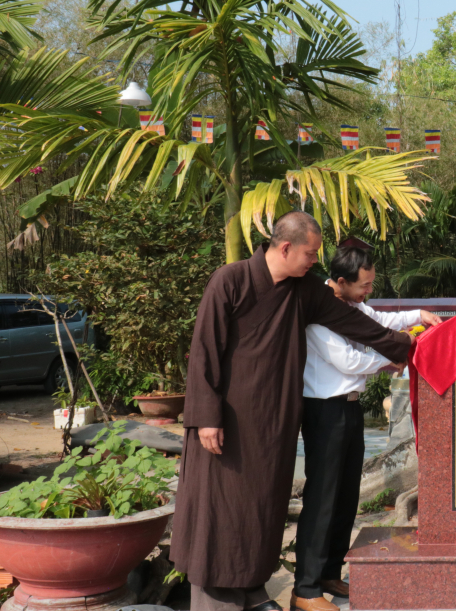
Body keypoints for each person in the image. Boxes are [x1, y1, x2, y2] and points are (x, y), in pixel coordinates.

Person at [170, 212, 414, 611]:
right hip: (226, 420)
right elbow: (204, 353)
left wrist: (406, 347)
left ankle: (252, 590)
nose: (315, 262)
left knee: (263, 506)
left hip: (275, 419)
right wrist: (205, 418)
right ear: (285, 248)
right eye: (310, 253)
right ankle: (218, 599)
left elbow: (355, 323)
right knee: (224, 507)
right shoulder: (229, 281)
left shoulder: (303, 291)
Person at [294, 244, 441, 610]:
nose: (368, 292)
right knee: (322, 498)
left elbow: (378, 321)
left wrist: (418, 315)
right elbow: (347, 360)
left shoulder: (353, 306)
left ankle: (329, 572)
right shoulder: (319, 312)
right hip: (324, 411)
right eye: (364, 286)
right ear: (340, 282)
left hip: (350, 410)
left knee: (345, 497)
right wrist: (391, 359)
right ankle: (306, 589)